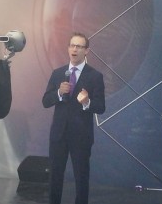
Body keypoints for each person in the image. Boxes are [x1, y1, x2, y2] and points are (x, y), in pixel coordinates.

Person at [42, 32, 106, 204]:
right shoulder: (57, 74)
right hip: (58, 135)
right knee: (55, 176)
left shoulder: (95, 76)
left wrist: (87, 101)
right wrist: (58, 93)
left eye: (79, 46)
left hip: (81, 136)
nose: (74, 49)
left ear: (86, 51)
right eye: (72, 45)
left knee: (81, 178)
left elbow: (101, 108)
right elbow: (45, 101)